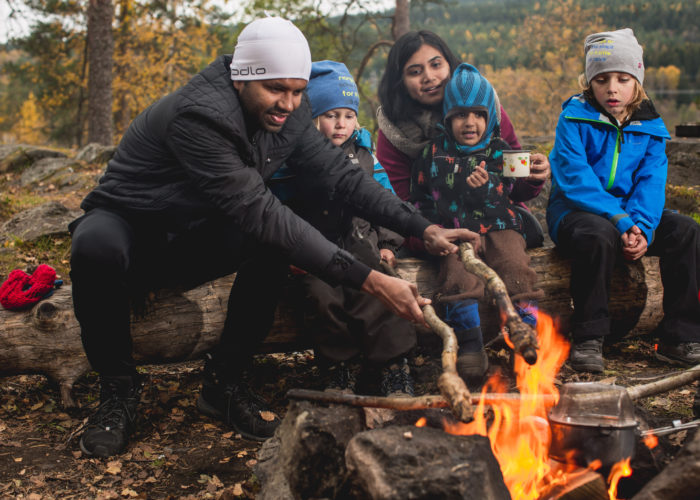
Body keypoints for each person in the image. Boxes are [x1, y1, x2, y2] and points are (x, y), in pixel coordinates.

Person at [68, 16, 481, 458]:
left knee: (269, 245)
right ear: (242, 78)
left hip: (195, 234)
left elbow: (344, 177)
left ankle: (224, 384)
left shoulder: (290, 113)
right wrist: (375, 281)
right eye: (276, 89)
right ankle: (118, 391)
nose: (288, 103)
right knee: (95, 245)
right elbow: (259, 211)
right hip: (135, 229)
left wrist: (422, 226)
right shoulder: (200, 116)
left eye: (298, 91)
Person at [547, 28, 700, 373]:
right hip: (577, 211)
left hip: (631, 216)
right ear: (590, 83)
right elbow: (575, 180)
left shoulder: (651, 128)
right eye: (601, 79)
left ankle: (680, 336)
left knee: (686, 231)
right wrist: (622, 222)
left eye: (622, 78)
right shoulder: (574, 118)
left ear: (637, 82)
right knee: (597, 235)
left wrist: (642, 227)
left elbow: (651, 182)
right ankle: (589, 337)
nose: (612, 88)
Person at [279, 60, 417, 396]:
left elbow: (387, 201)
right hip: (315, 254)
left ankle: (393, 366)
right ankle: (338, 368)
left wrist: (388, 243)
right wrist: (287, 253)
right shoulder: (294, 158)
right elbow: (277, 209)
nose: (341, 124)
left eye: (348, 115)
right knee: (322, 300)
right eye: (331, 115)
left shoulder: (366, 155)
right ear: (313, 117)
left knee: (383, 294)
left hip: (362, 247)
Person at [410, 63, 544, 380]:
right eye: (460, 115)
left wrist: (529, 178)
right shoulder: (431, 154)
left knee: (516, 268)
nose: (470, 123)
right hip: (456, 231)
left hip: (502, 227)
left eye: (478, 115)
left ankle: (524, 337)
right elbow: (419, 198)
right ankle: (470, 346)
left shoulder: (501, 152)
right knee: (456, 277)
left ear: (489, 118)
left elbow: (519, 190)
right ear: (447, 118)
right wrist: (432, 230)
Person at [376, 30, 551, 251]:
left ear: (450, 64)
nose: (429, 76)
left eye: (436, 65)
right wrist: (431, 237)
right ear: (400, 82)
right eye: (415, 71)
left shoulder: (485, 107)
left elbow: (516, 182)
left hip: (498, 224)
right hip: (436, 234)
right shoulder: (394, 132)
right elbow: (398, 205)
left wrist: (533, 177)